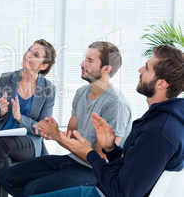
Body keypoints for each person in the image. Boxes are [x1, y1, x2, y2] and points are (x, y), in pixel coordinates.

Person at [33, 44, 184, 197]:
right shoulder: (157, 119)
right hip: (103, 187)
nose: (140, 70)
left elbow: (123, 192)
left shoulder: (158, 133)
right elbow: (130, 169)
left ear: (161, 83)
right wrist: (111, 149)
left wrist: (89, 153)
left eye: (147, 68)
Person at [0, 41, 132, 196]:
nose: (82, 64)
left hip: (97, 171)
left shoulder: (116, 104)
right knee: (7, 178)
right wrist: (52, 132)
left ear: (106, 69)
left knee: (32, 190)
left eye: (90, 61)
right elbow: (71, 136)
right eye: (85, 59)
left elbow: (103, 159)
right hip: (73, 160)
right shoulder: (82, 93)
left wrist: (58, 137)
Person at [0, 39, 57, 197]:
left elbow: (42, 129)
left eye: (35, 54)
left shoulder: (48, 89)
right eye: (29, 50)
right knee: (4, 163)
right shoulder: (6, 79)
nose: (28, 55)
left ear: (44, 66)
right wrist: (1, 112)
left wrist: (20, 118)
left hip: (27, 143)